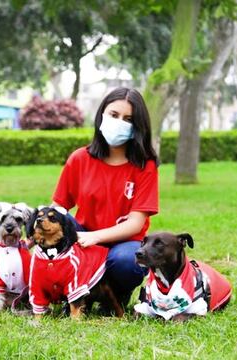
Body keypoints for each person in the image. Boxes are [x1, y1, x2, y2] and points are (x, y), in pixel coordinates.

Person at [51, 87, 159, 308]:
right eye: (114, 115)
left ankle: (117, 293)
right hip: (83, 238)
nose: (119, 122)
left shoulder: (144, 165)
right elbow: (58, 208)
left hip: (124, 244)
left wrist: (95, 237)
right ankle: (75, 291)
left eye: (128, 119)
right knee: (56, 221)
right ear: (101, 114)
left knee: (126, 261)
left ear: (138, 127)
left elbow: (136, 222)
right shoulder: (79, 158)